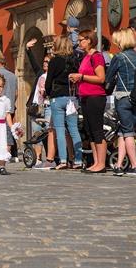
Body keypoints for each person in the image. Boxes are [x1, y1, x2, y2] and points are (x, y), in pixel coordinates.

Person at [43, 35, 83, 170]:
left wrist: (48, 93)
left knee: (59, 129)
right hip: (72, 98)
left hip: (57, 96)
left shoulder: (54, 61)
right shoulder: (74, 61)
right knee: (73, 129)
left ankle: (63, 160)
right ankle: (78, 160)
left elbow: (48, 81)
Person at [69, 29, 107, 173]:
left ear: (89, 40)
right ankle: (96, 162)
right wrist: (77, 78)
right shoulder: (85, 56)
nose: (79, 42)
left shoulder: (96, 56)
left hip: (95, 97)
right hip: (85, 96)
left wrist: (82, 77)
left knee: (97, 130)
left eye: (81, 40)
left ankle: (101, 164)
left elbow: (101, 78)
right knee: (90, 130)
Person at [105, 28, 136, 176]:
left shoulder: (119, 57)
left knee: (128, 132)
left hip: (123, 98)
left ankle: (134, 165)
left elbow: (108, 78)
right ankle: (119, 165)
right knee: (122, 132)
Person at [24, 39, 54, 169]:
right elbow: (33, 63)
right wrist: (28, 49)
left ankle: (49, 157)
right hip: (36, 106)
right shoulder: (40, 73)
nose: (45, 63)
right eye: (44, 62)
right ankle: (37, 158)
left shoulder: (53, 76)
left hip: (48, 106)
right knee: (36, 132)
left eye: (47, 62)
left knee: (47, 132)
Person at [0, 54, 19, 160]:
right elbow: (17, 93)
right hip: (10, 105)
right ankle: (13, 153)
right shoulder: (13, 76)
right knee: (10, 128)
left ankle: (1, 152)